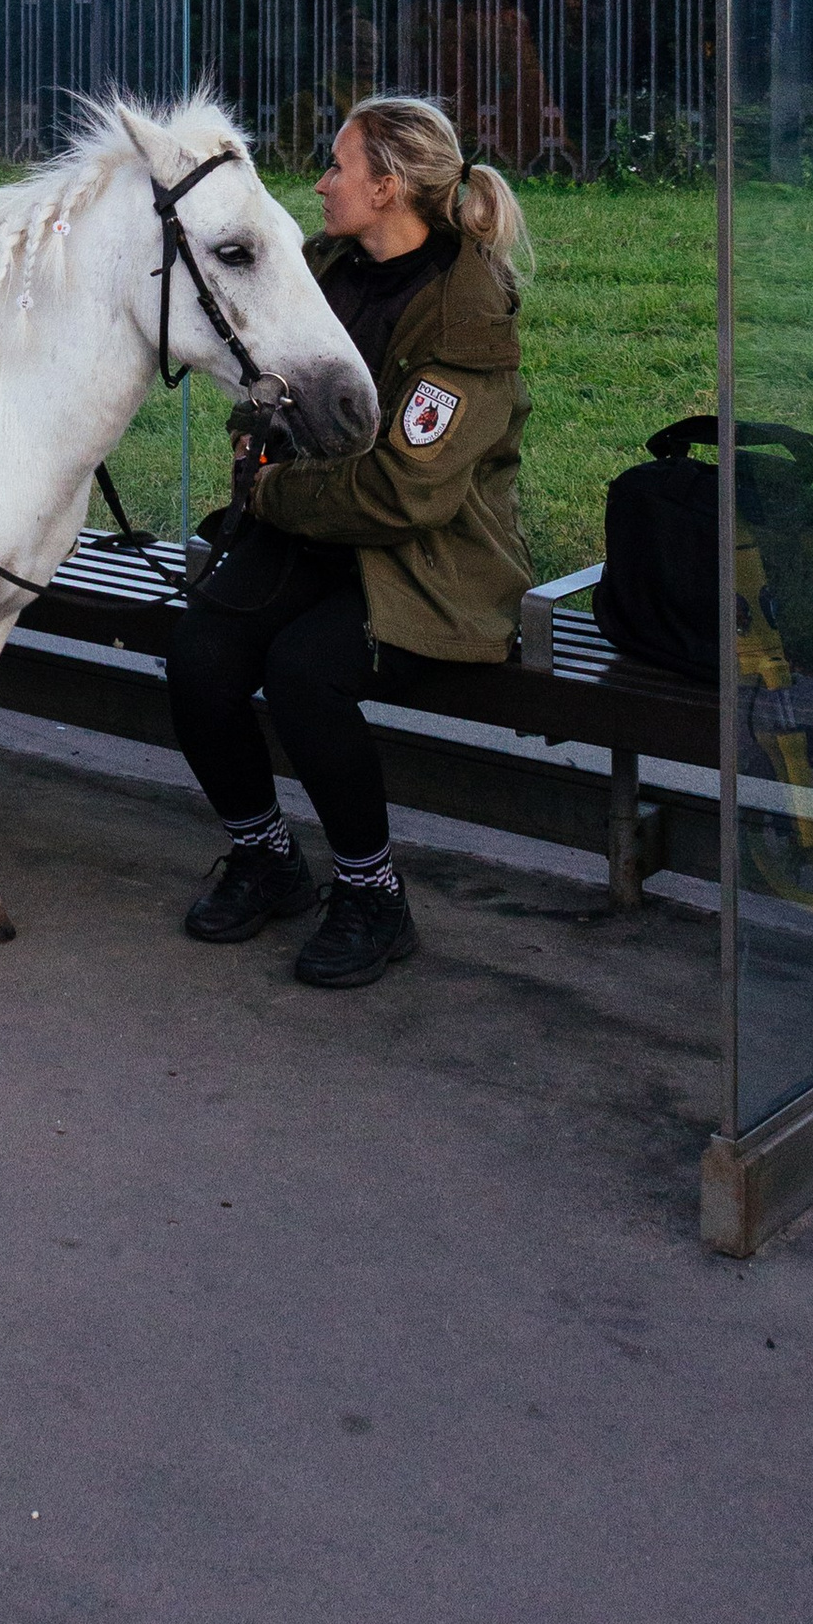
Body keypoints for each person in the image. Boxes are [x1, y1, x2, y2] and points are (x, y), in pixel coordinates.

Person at [164, 95, 531, 990]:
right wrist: (255, 428)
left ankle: (374, 896)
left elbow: (407, 491)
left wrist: (275, 491)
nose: (321, 183)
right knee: (199, 650)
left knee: (303, 672)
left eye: (337, 166)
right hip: (311, 539)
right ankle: (268, 859)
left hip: (426, 564)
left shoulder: (464, 311)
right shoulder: (325, 267)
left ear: (389, 186)